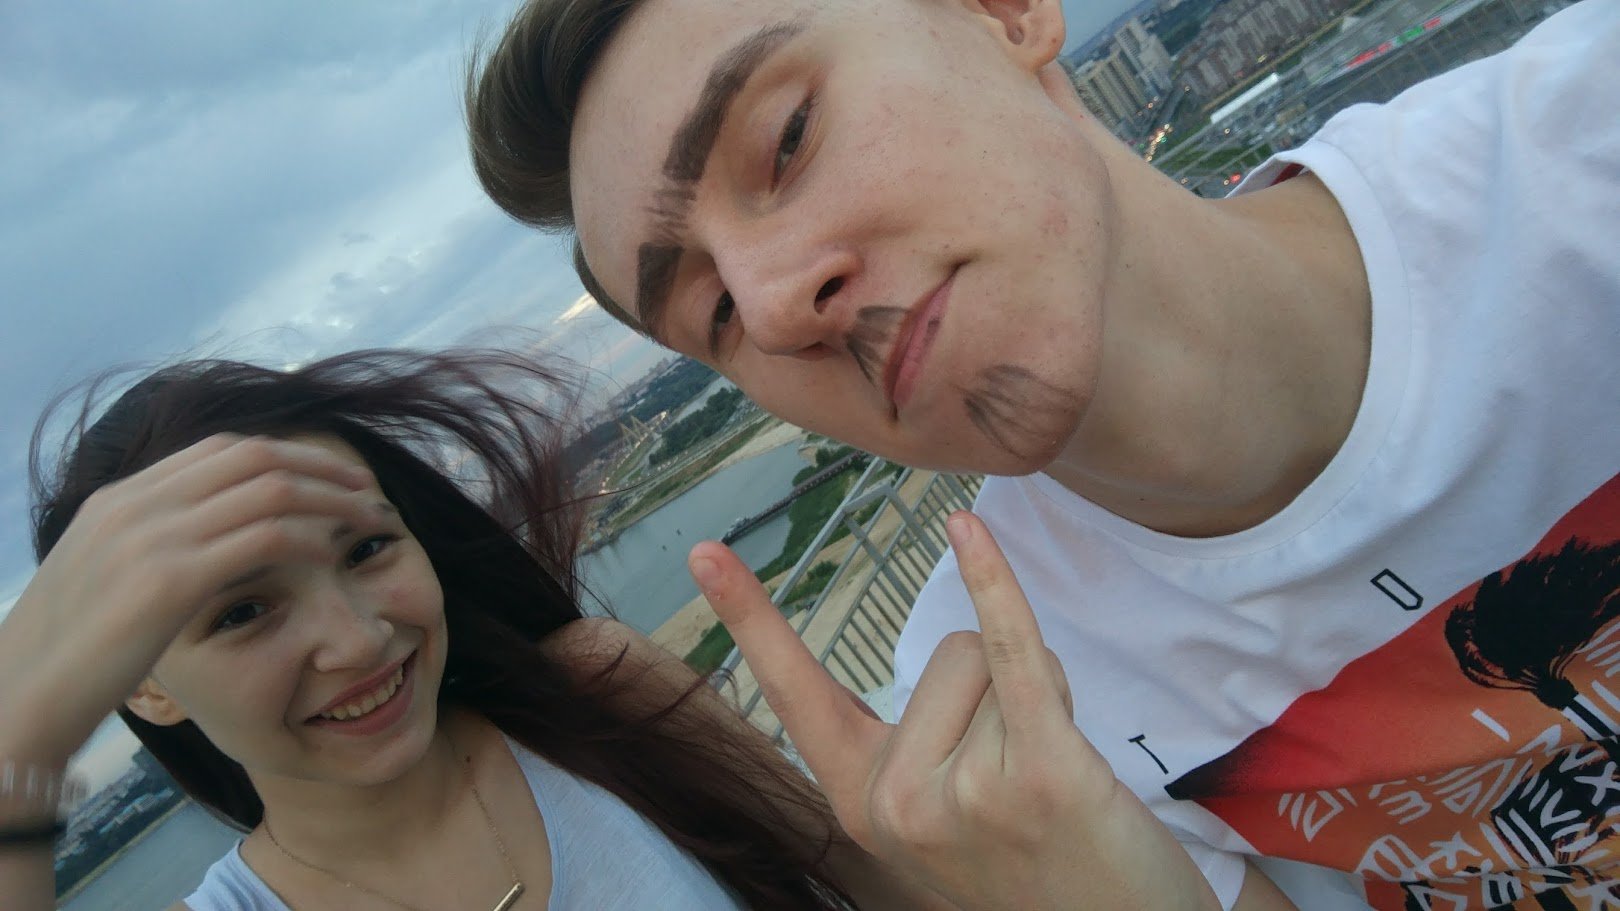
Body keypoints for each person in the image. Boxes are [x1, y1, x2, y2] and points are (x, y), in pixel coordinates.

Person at [465, 0, 1620, 906]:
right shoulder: (1000, 713)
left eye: (790, 137)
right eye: (714, 313)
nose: (772, 306)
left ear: (1005, 12)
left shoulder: (1585, 150)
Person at [0, 350, 960, 910]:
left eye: (367, 547)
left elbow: (884, 891)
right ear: (142, 682)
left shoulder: (597, 697)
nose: (358, 639)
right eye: (243, 610)